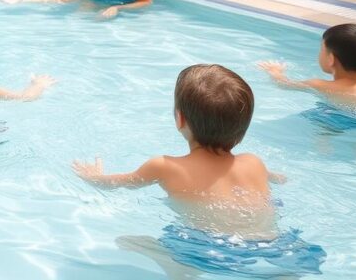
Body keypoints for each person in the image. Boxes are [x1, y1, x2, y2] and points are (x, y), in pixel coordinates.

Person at [73, 64, 325, 278]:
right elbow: (274, 179)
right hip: (272, 243)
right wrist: (277, 177)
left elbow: (121, 183)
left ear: (180, 119)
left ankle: (181, 269)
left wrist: (93, 177)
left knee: (126, 241)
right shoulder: (254, 162)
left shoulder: (165, 166)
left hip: (208, 247)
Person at [258, 23, 356, 116]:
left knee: (322, 122)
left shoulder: (318, 85)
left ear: (331, 59)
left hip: (340, 117)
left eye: (322, 50)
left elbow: (283, 84)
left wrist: (275, 71)